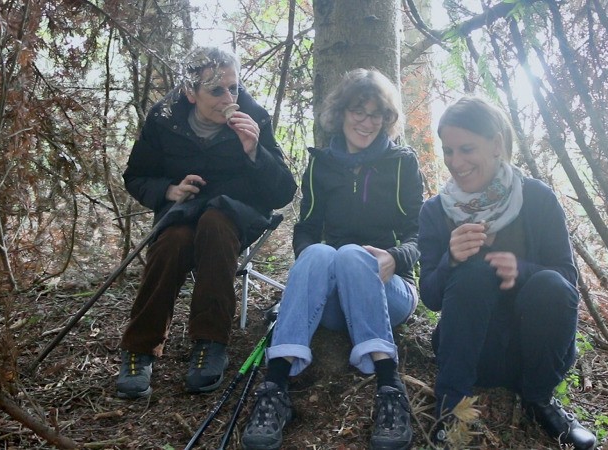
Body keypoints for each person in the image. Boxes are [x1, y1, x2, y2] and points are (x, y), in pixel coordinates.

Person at [240, 68, 424, 450]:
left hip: (391, 291)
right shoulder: (320, 164)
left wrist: (395, 258)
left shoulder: (403, 163)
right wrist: (310, 262)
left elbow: (420, 233)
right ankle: (274, 390)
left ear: (387, 120)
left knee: (353, 255)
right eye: (359, 110)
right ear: (341, 113)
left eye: (377, 114)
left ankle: (390, 389)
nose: (367, 121)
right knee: (321, 252)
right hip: (337, 302)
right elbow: (306, 227)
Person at [116, 47, 297, 399]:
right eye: (216, 90)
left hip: (237, 213)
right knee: (172, 242)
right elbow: (136, 175)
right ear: (190, 92)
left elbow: (282, 192)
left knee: (215, 223)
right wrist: (168, 190)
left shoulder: (253, 116)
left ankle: (210, 343)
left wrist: (253, 151)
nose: (229, 98)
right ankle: (139, 349)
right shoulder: (163, 119)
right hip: (184, 211)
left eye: (234, 87)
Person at [418, 97, 597, 450]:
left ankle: (540, 400)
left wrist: (524, 270)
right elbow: (431, 296)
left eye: (467, 149)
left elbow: (566, 282)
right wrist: (449, 260)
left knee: (548, 282)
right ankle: (450, 404)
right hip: (473, 353)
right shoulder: (436, 212)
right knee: (471, 271)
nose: (456, 162)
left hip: (534, 353)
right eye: (449, 151)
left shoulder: (537, 199)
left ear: (497, 144)